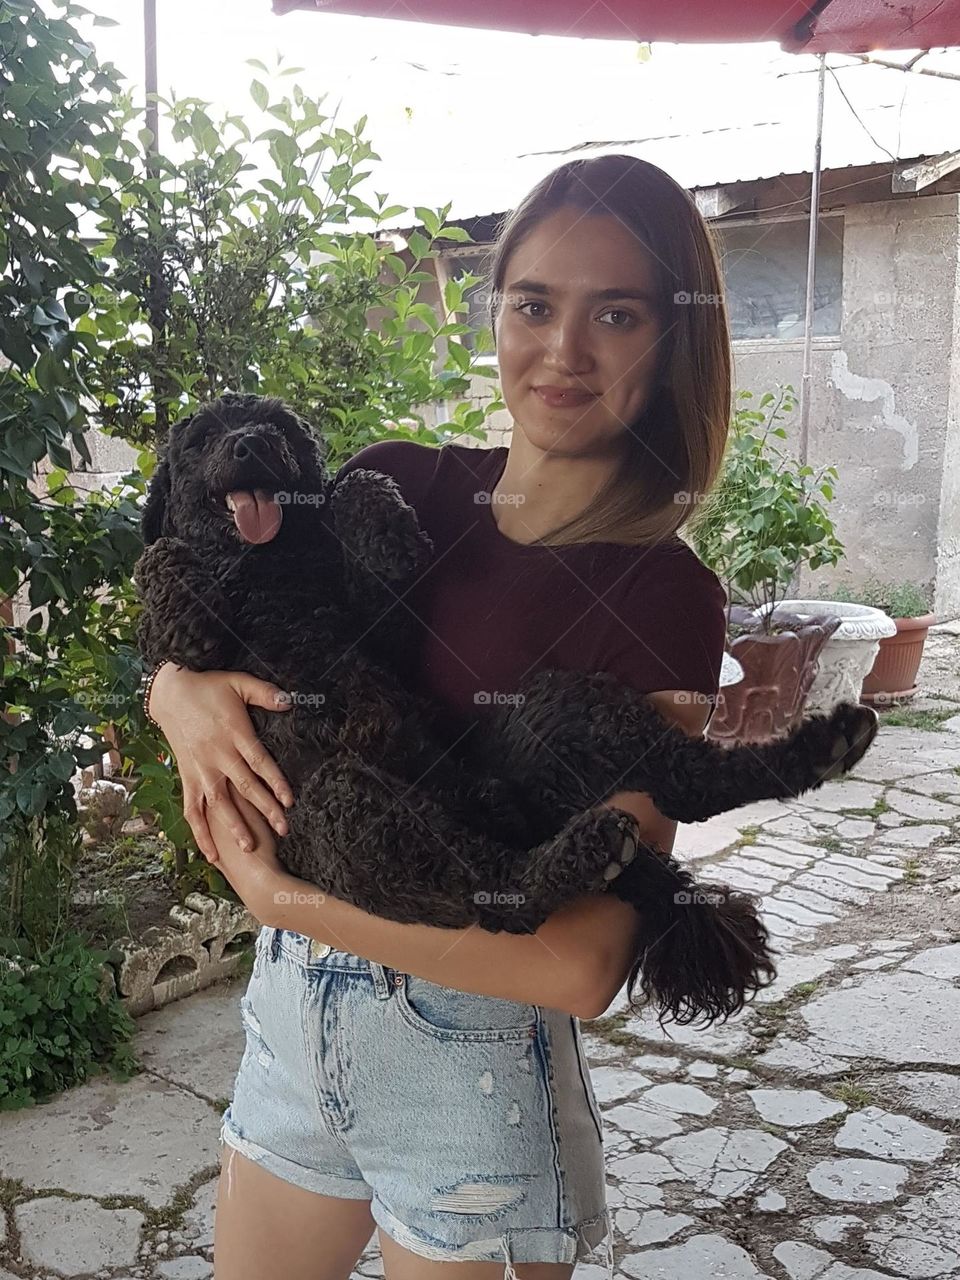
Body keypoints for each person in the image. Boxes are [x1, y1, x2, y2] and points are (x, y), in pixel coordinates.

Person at [146, 154, 730, 1280]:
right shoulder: (396, 483)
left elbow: (584, 962)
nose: (563, 351)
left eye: (616, 311)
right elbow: (216, 598)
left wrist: (282, 897)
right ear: (496, 305)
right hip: (292, 1024)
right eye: (534, 303)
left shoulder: (662, 594)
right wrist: (176, 691)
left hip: (474, 1058)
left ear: (673, 340)